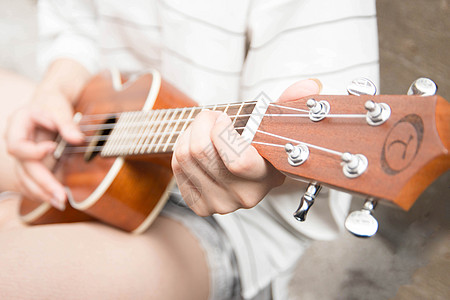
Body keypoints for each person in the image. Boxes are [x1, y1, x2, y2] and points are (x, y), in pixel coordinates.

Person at [0, 0, 379, 299]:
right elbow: (74, 20)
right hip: (98, 122)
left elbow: (310, 129)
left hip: (231, 218)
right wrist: (55, 88)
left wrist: (260, 168)